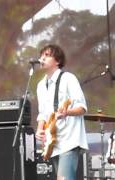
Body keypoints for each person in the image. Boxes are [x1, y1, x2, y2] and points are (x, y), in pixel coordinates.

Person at [35, 44, 88, 180]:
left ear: (57, 61)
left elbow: (82, 107)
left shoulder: (68, 78)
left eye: (47, 55)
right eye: (41, 56)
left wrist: (67, 112)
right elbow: (43, 113)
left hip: (69, 139)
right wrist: (40, 129)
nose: (42, 58)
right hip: (53, 142)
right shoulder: (41, 85)